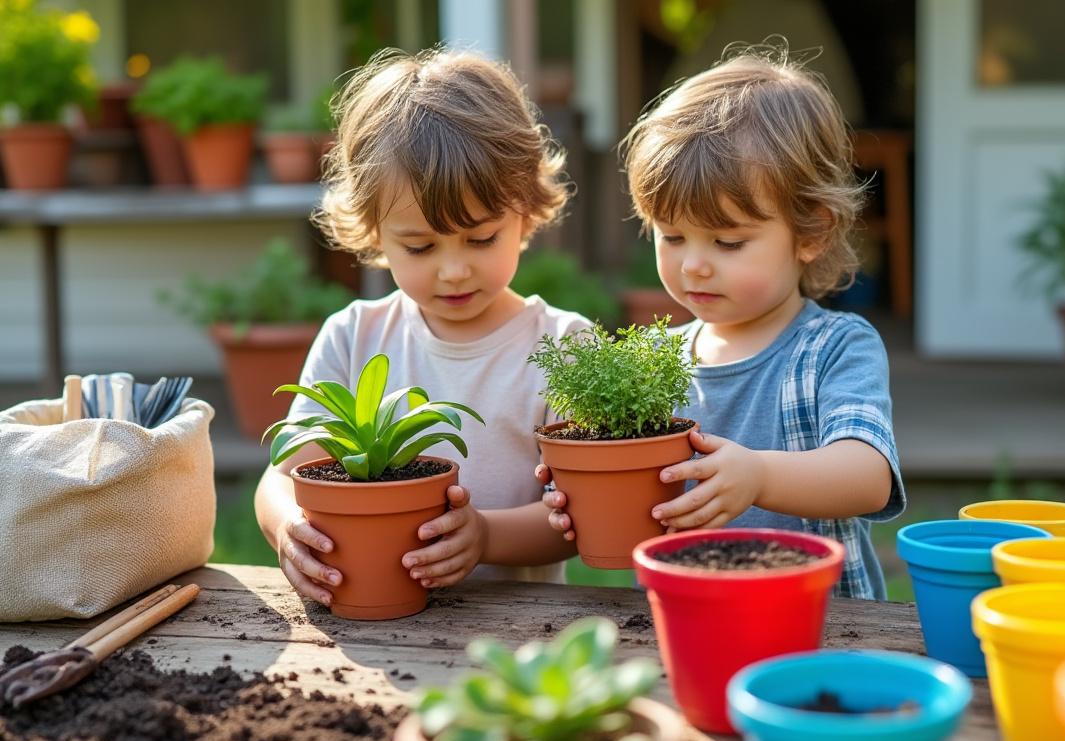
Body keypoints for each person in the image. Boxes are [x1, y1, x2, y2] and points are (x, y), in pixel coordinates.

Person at [543, 44, 905, 599]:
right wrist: (584, 491)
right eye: (672, 235)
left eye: (728, 241)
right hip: (687, 618)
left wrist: (758, 476)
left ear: (811, 232)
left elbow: (867, 477)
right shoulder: (655, 362)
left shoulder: (834, 347)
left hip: (819, 629)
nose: (694, 264)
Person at [255, 48, 582, 607]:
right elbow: (283, 476)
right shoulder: (353, 337)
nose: (453, 270)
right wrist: (286, 527)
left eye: (481, 239)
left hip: (517, 631)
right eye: (420, 246)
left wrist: (486, 537)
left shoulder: (561, 346)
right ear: (375, 231)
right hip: (369, 621)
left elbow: (578, 515)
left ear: (525, 212)